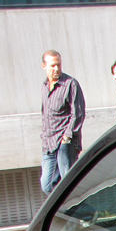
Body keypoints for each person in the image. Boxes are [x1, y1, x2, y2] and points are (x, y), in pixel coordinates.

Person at [40, 50, 85, 195]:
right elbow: (45, 115)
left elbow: (78, 113)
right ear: (44, 66)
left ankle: (79, 212)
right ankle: (77, 210)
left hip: (64, 143)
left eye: (58, 65)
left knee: (67, 184)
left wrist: (67, 137)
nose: (56, 68)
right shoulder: (44, 87)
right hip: (48, 143)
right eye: (52, 66)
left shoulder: (70, 84)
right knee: (47, 185)